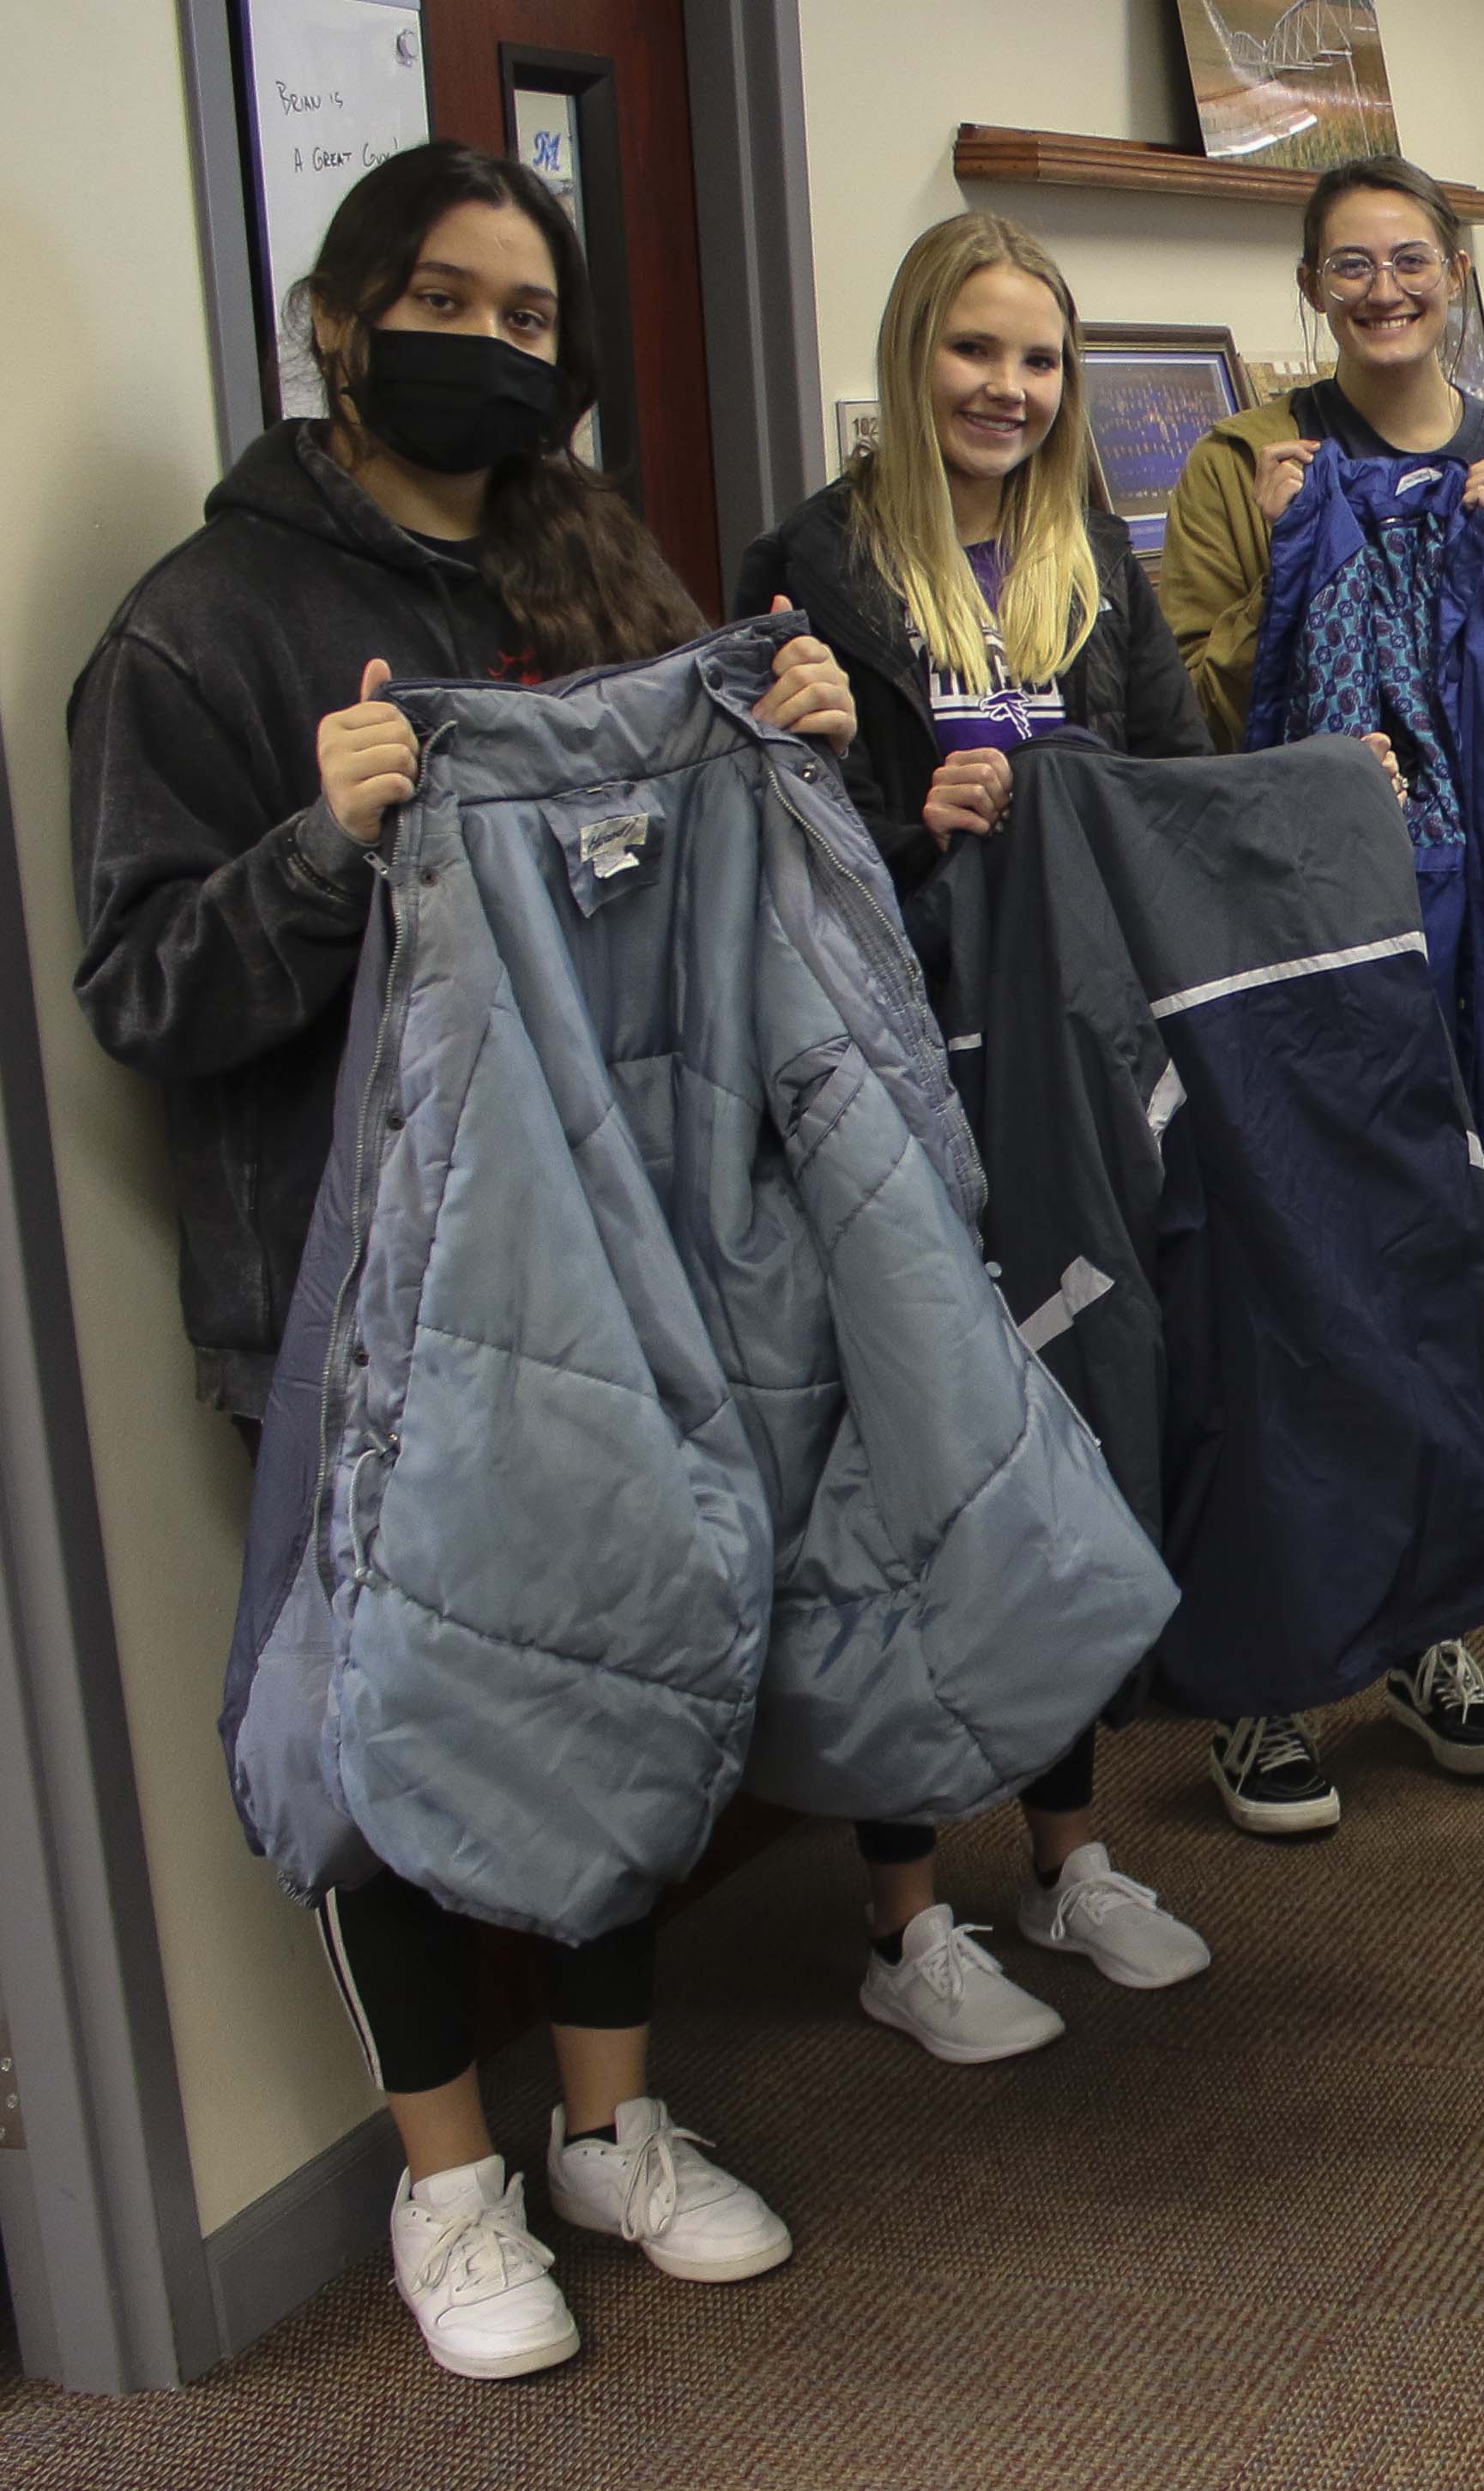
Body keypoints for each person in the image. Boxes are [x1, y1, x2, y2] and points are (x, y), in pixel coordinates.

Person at [69, 137, 848, 2381]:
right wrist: (328, 842)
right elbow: (143, 992)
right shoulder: (199, 631)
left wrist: (807, 737)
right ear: (335, 322)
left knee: (620, 1649)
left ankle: (614, 2124)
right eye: (449, 303)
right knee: (392, 1719)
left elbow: (714, 891)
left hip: (611, 1248)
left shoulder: (588, 573)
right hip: (349, 1284)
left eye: (531, 321)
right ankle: (445, 2183)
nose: (493, 348)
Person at [732, 212, 1220, 2062]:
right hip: (890, 1074)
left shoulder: (1095, 550)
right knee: (915, 1448)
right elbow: (770, 850)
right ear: (910, 354)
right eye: (974, 354)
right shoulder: (812, 566)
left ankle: (1070, 1852)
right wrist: (917, 825)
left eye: (1037, 361)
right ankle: (901, 1908)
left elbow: (1166, 784)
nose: (1007, 391)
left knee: (1068, 1417)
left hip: (1066, 1070)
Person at [1157, 155, 1484, 1841]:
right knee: (1292, 1273)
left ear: (1458, 272)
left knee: (1457, 1263)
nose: (1386, 289)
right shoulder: (1239, 464)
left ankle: (1425, 1630)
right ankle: (1267, 1668)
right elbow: (1192, 701)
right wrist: (1287, 559)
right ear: (1313, 288)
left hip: (1476, 931)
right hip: (1299, 922)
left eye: (1412, 261)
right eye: (1351, 265)